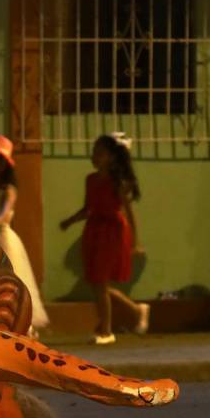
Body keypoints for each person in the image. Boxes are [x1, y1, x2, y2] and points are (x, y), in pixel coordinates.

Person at [59, 132, 149, 345]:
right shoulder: (90, 180)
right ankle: (136, 310)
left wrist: (135, 242)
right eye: (94, 152)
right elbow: (88, 208)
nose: (94, 156)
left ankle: (106, 330)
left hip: (113, 232)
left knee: (100, 282)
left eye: (99, 153)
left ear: (111, 156)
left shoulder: (118, 183)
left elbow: (128, 212)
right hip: (94, 231)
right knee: (97, 283)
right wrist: (70, 221)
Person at [0, 135, 49, 335]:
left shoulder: (8, 190)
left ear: (2, 166)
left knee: (10, 285)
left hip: (2, 242)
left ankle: (26, 325)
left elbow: (6, 211)